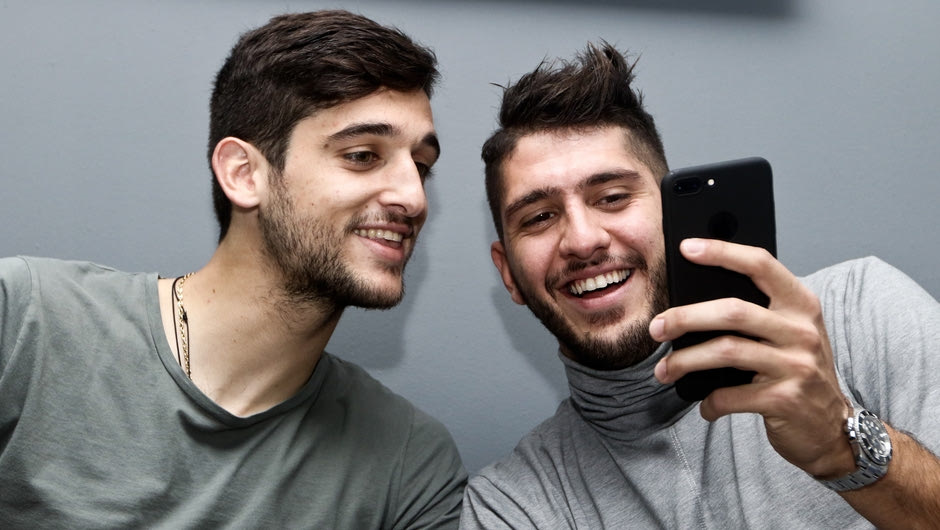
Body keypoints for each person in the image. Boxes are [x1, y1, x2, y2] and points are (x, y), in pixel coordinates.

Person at [0, 10, 466, 528]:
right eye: (362, 155)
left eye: (421, 166)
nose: (413, 197)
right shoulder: (23, 322)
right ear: (244, 174)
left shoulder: (409, 464)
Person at [460, 42, 940, 528]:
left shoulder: (861, 312)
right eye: (539, 217)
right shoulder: (512, 506)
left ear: (674, 216)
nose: (583, 241)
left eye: (612, 197)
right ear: (508, 273)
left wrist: (844, 446)